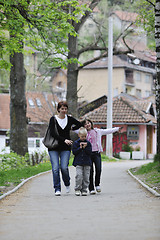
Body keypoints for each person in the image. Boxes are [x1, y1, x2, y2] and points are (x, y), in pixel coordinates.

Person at [48, 101, 82, 196]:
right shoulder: (53, 119)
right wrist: (64, 140)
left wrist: (72, 128)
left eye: (65, 109)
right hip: (53, 147)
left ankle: (67, 183)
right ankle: (57, 188)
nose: (64, 110)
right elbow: (53, 133)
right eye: (62, 108)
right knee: (55, 169)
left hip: (65, 148)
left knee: (64, 168)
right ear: (58, 109)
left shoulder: (69, 119)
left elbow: (79, 124)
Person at [81, 119, 119, 194]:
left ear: (91, 124)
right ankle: (91, 188)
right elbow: (75, 130)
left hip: (96, 153)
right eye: (85, 124)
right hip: (88, 154)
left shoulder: (97, 131)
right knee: (90, 171)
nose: (87, 125)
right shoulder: (83, 133)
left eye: (88, 123)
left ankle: (97, 184)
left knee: (99, 169)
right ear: (83, 126)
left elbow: (108, 131)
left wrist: (116, 129)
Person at [72, 127, 92, 196]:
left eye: (85, 136)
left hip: (87, 163)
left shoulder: (88, 143)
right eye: (82, 136)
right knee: (79, 175)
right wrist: (80, 148)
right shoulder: (76, 143)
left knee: (86, 177)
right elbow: (74, 152)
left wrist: (85, 148)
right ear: (79, 136)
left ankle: (84, 189)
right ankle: (77, 189)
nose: (83, 138)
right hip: (78, 163)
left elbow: (90, 153)